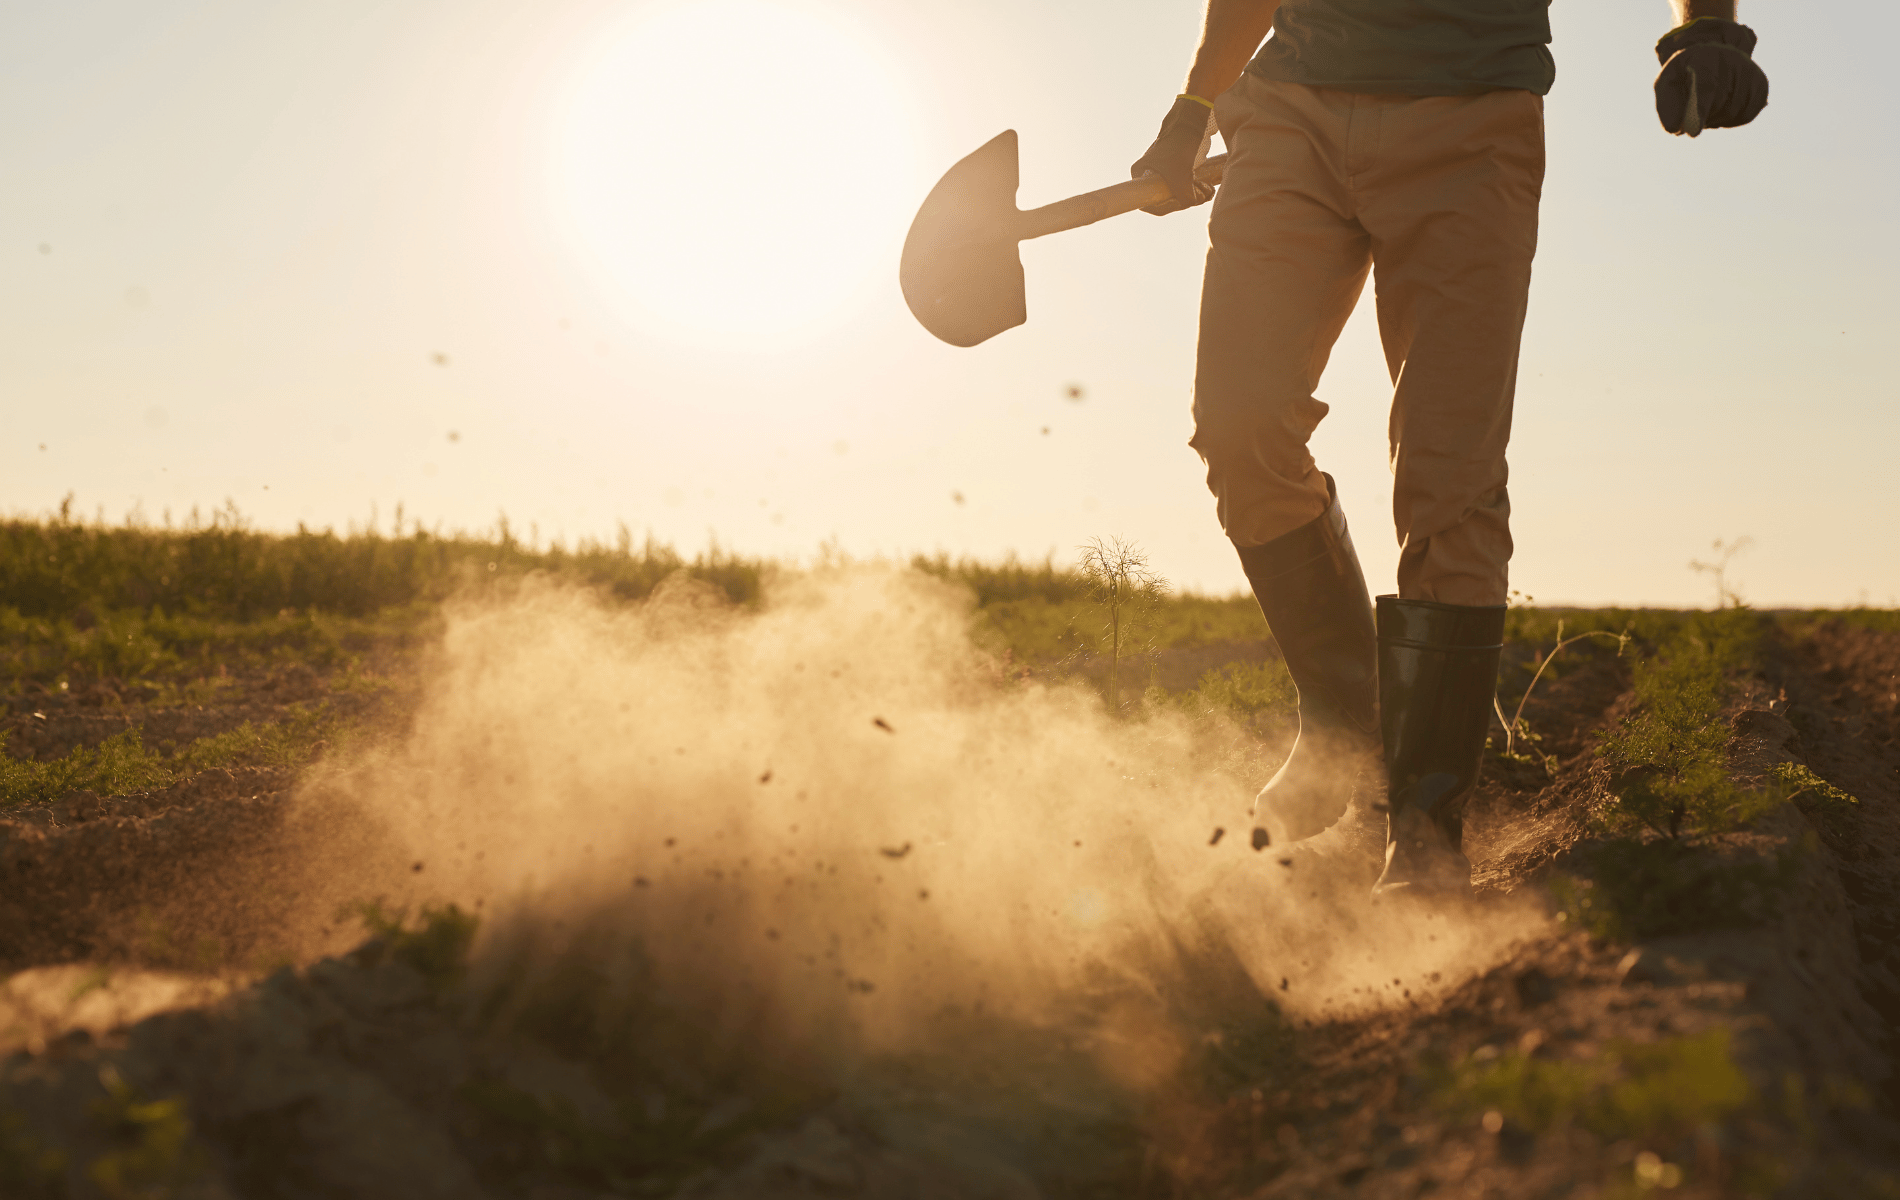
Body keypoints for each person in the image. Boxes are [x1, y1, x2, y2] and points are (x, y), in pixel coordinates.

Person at [1130, 1, 1768, 898]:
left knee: (1449, 477)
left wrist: (1704, 29)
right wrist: (1194, 106)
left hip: (1473, 118)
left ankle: (1424, 828)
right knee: (1238, 427)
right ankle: (1346, 729)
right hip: (1290, 110)